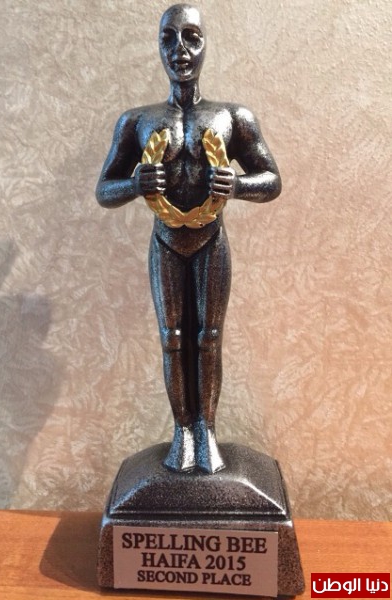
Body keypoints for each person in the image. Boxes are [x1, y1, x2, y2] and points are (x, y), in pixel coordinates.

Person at [96, 4, 281, 474]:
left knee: (210, 337)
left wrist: (237, 186)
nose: (180, 50)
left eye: (191, 37)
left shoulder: (232, 117)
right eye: (169, 38)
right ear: (158, 47)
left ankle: (207, 430)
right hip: (165, 241)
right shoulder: (136, 121)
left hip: (210, 239)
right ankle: (183, 429)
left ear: (205, 45)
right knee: (173, 339)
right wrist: (135, 183)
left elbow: (271, 179)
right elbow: (104, 189)